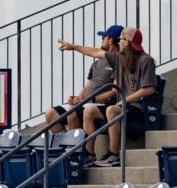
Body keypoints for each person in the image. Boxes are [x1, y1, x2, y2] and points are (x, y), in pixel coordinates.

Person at [57, 27, 158, 168]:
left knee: (111, 110)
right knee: (89, 111)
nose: (118, 42)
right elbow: (96, 52)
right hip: (121, 106)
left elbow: (149, 89)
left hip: (137, 108)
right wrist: (73, 47)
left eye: (121, 39)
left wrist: (125, 100)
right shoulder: (119, 59)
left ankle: (114, 154)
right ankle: (89, 154)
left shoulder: (145, 61)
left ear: (127, 42)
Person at [43, 24, 122, 133]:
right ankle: (66, 146)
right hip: (86, 102)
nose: (101, 40)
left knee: (72, 114)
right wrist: (77, 98)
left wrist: (90, 99)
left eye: (103, 38)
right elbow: (87, 87)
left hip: (99, 104)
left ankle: (77, 148)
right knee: (50, 113)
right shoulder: (96, 64)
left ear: (110, 40)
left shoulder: (120, 62)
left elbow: (114, 92)